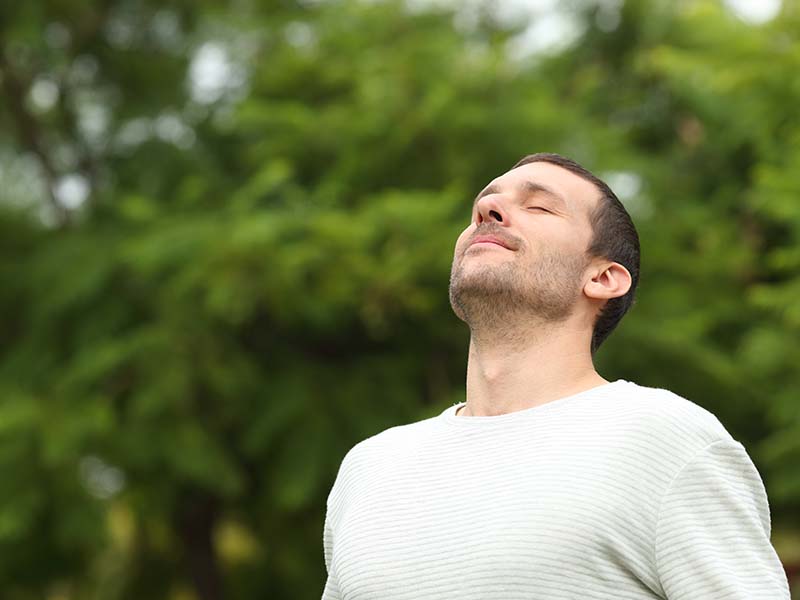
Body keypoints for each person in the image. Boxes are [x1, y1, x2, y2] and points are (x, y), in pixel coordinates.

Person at [321, 153, 790, 599]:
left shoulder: (665, 440)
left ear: (603, 278)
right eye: (484, 204)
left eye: (539, 205)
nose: (489, 209)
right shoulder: (371, 467)